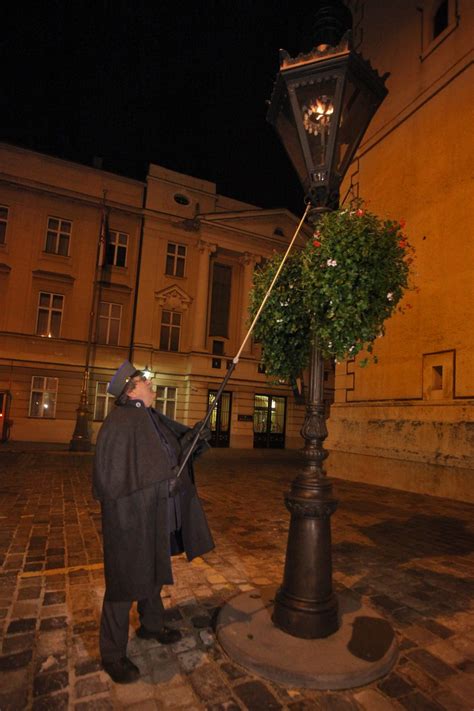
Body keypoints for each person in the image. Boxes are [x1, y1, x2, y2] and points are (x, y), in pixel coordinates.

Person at [93, 360, 214, 684]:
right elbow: (111, 480)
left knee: (154, 565)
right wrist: (161, 481)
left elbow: (172, 454)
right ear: (131, 389)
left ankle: (151, 624)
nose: (151, 384)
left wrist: (194, 440)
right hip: (131, 518)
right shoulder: (119, 423)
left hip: (158, 511)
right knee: (123, 582)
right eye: (145, 380)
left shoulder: (150, 418)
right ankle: (113, 654)